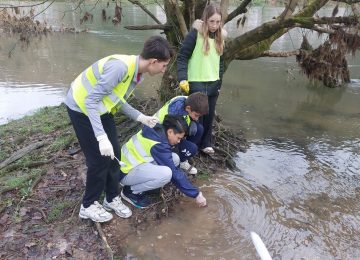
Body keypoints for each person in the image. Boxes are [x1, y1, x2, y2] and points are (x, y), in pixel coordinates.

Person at [65, 36, 173, 223]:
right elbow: (90, 100)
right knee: (98, 160)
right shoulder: (120, 68)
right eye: (164, 66)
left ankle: (111, 198)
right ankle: (88, 206)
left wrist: (140, 117)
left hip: (102, 108)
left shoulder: (135, 73)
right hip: (81, 108)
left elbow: (115, 98)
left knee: (115, 154)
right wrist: (100, 137)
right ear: (154, 61)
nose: (164, 70)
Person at [119, 115, 207, 209]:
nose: (179, 141)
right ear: (170, 132)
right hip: (125, 173)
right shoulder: (159, 144)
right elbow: (173, 172)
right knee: (167, 174)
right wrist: (196, 194)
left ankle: (143, 185)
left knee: (175, 159)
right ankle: (130, 191)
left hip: (135, 164)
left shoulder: (158, 130)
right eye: (178, 138)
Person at [177, 4, 227, 155]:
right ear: (205, 19)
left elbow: (221, 63)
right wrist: (182, 79)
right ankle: (191, 146)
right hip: (196, 82)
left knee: (209, 115)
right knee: (194, 117)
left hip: (213, 84)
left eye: (218, 22)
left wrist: (219, 82)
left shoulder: (221, 38)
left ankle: (206, 143)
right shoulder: (194, 35)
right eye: (211, 21)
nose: (214, 25)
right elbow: (182, 57)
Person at [153, 92, 209, 174]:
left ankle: (182, 156)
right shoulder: (175, 111)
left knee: (199, 128)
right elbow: (171, 134)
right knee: (192, 148)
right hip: (160, 136)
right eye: (196, 115)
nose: (197, 119)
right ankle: (179, 161)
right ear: (188, 108)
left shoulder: (188, 100)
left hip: (169, 131)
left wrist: (191, 122)